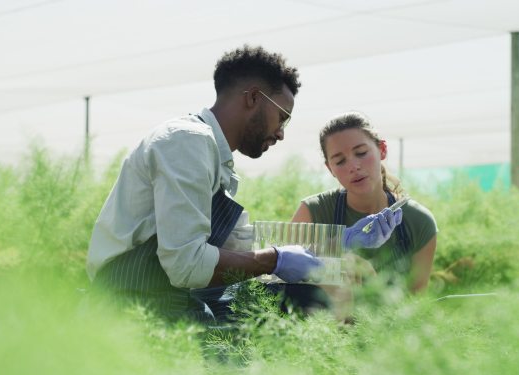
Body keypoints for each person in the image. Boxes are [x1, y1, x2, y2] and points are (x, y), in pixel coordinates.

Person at [87, 46, 402, 322]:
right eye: (282, 117)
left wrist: (339, 243)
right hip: (132, 301)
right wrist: (277, 259)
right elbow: (187, 264)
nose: (281, 133)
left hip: (163, 295)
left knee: (293, 305)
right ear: (253, 98)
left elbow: (241, 244)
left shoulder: (213, 155)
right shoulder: (187, 142)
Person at [291, 112, 438, 293]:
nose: (353, 166)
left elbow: (415, 303)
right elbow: (284, 271)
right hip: (323, 320)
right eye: (340, 161)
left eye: (361, 153)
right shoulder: (313, 212)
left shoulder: (419, 221)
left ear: (382, 149)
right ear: (330, 169)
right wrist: (337, 254)